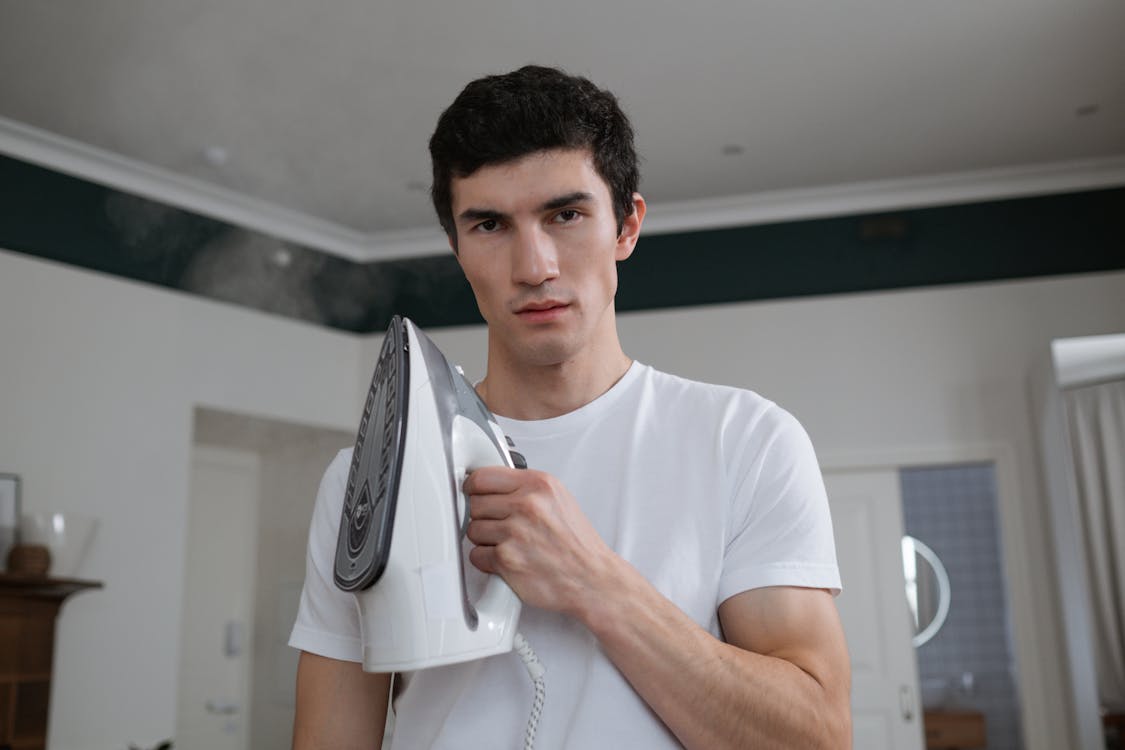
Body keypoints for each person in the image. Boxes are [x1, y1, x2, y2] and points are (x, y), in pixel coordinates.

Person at [290, 65, 851, 749]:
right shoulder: (367, 481)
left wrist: (596, 584)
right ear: (457, 249)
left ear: (626, 225)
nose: (534, 266)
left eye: (565, 214)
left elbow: (815, 737)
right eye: (490, 224)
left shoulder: (744, 440)